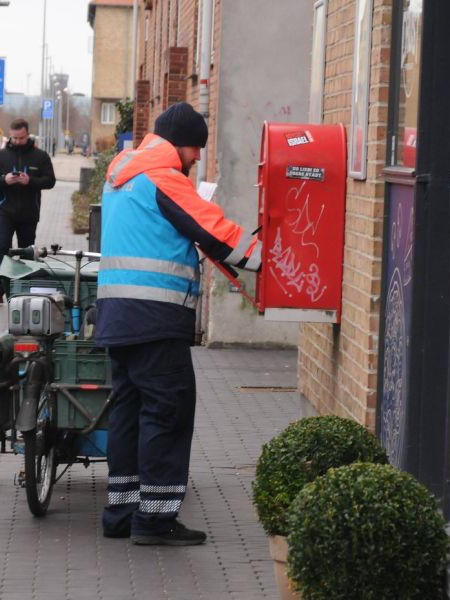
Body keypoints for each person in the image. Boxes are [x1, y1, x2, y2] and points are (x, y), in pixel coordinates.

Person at [96, 102, 262, 545]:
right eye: (194, 151)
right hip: (155, 318)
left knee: (128, 414)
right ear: (182, 144)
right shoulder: (162, 177)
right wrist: (272, 261)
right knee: (167, 413)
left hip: (117, 316)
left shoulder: (120, 173)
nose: (194, 161)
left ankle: (121, 513)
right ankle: (154, 519)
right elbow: (215, 232)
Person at [0, 118, 56, 303]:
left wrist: (30, 181)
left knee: (26, 250)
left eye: (21, 138)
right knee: (3, 246)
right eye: (14, 138)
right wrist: (4, 180)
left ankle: (25, 288)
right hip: (4, 210)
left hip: (29, 212)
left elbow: (50, 180)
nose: (17, 142)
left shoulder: (40, 156)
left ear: (27, 135)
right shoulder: (0, 156)